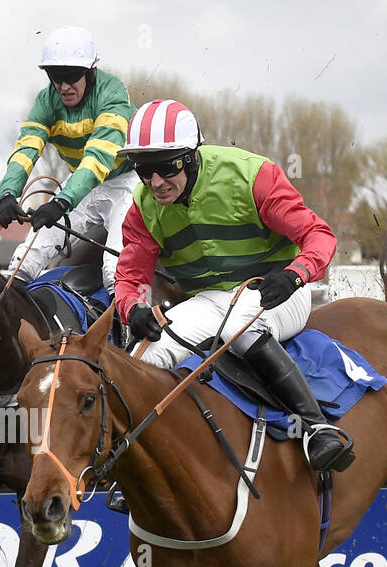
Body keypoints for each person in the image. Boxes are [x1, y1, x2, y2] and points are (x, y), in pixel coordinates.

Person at [113, 99, 352, 473]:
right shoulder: (143, 205)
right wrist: (134, 309)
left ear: (191, 157)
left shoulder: (251, 175)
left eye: (165, 168)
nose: (155, 183)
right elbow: (131, 277)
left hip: (277, 291)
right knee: (142, 357)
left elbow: (318, 235)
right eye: (144, 170)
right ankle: (144, 467)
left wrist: (295, 275)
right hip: (210, 301)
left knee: (239, 327)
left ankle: (317, 427)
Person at [0, 25, 137, 294]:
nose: (64, 87)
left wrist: (61, 201)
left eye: (72, 78)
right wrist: (8, 192)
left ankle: (128, 331)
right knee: (26, 257)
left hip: (127, 182)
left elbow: (97, 159)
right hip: (83, 184)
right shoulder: (47, 100)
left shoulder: (113, 94)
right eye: (56, 79)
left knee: (113, 270)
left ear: (90, 72)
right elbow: (27, 147)